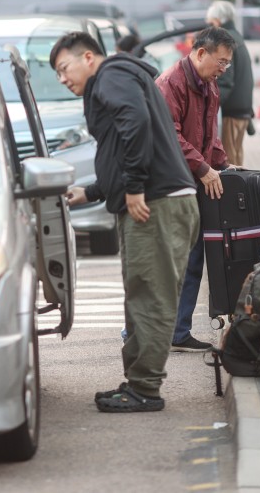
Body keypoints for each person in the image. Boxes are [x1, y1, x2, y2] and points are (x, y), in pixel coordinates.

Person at [52, 31, 199, 413]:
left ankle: (146, 390)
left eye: (64, 68)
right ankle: (137, 381)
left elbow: (135, 123)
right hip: (154, 201)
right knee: (140, 294)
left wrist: (133, 187)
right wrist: (95, 191)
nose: (62, 78)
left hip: (155, 203)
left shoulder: (112, 75)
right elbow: (120, 145)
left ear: (88, 57)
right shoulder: (118, 77)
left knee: (151, 296)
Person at [156, 26, 235, 352]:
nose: (223, 69)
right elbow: (170, 136)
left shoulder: (209, 85)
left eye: (228, 64)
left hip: (194, 183)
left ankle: (179, 330)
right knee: (168, 263)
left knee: (192, 261)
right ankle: (136, 330)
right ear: (200, 52)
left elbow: (209, 136)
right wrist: (203, 169)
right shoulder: (170, 83)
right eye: (221, 61)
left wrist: (224, 166)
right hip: (171, 184)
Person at [209, 1, 254, 167]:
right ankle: (242, 191)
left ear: (218, 21)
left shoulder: (225, 40)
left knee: (228, 161)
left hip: (231, 112)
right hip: (242, 110)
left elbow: (225, 82)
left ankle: (236, 192)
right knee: (236, 157)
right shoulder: (237, 36)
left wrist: (208, 105)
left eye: (211, 22)